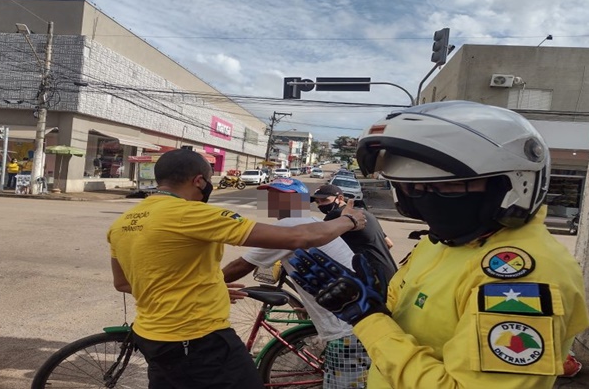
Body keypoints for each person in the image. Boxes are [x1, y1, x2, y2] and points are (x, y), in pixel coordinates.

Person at [289, 101, 589, 388]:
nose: (426, 198)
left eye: (449, 185)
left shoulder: (525, 276)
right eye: (414, 187)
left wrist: (369, 320)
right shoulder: (441, 244)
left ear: (511, 183)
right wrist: (372, 302)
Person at [106, 148, 367, 389]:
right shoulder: (193, 214)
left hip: (150, 337)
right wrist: (349, 220)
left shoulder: (123, 223)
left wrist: (205, 290)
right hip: (198, 338)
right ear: (199, 181)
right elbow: (300, 237)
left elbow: (123, 283)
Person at [222, 178, 371, 388]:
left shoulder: (290, 225)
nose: (273, 201)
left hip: (347, 330)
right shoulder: (313, 222)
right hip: (357, 321)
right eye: (271, 196)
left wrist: (204, 284)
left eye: (280, 197)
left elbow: (241, 266)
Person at [310, 184, 398, 282]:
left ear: (340, 198)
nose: (320, 205)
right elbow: (389, 243)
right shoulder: (363, 213)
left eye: (324, 200)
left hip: (373, 278)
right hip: (391, 273)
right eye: (317, 202)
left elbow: (314, 238)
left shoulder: (336, 215)